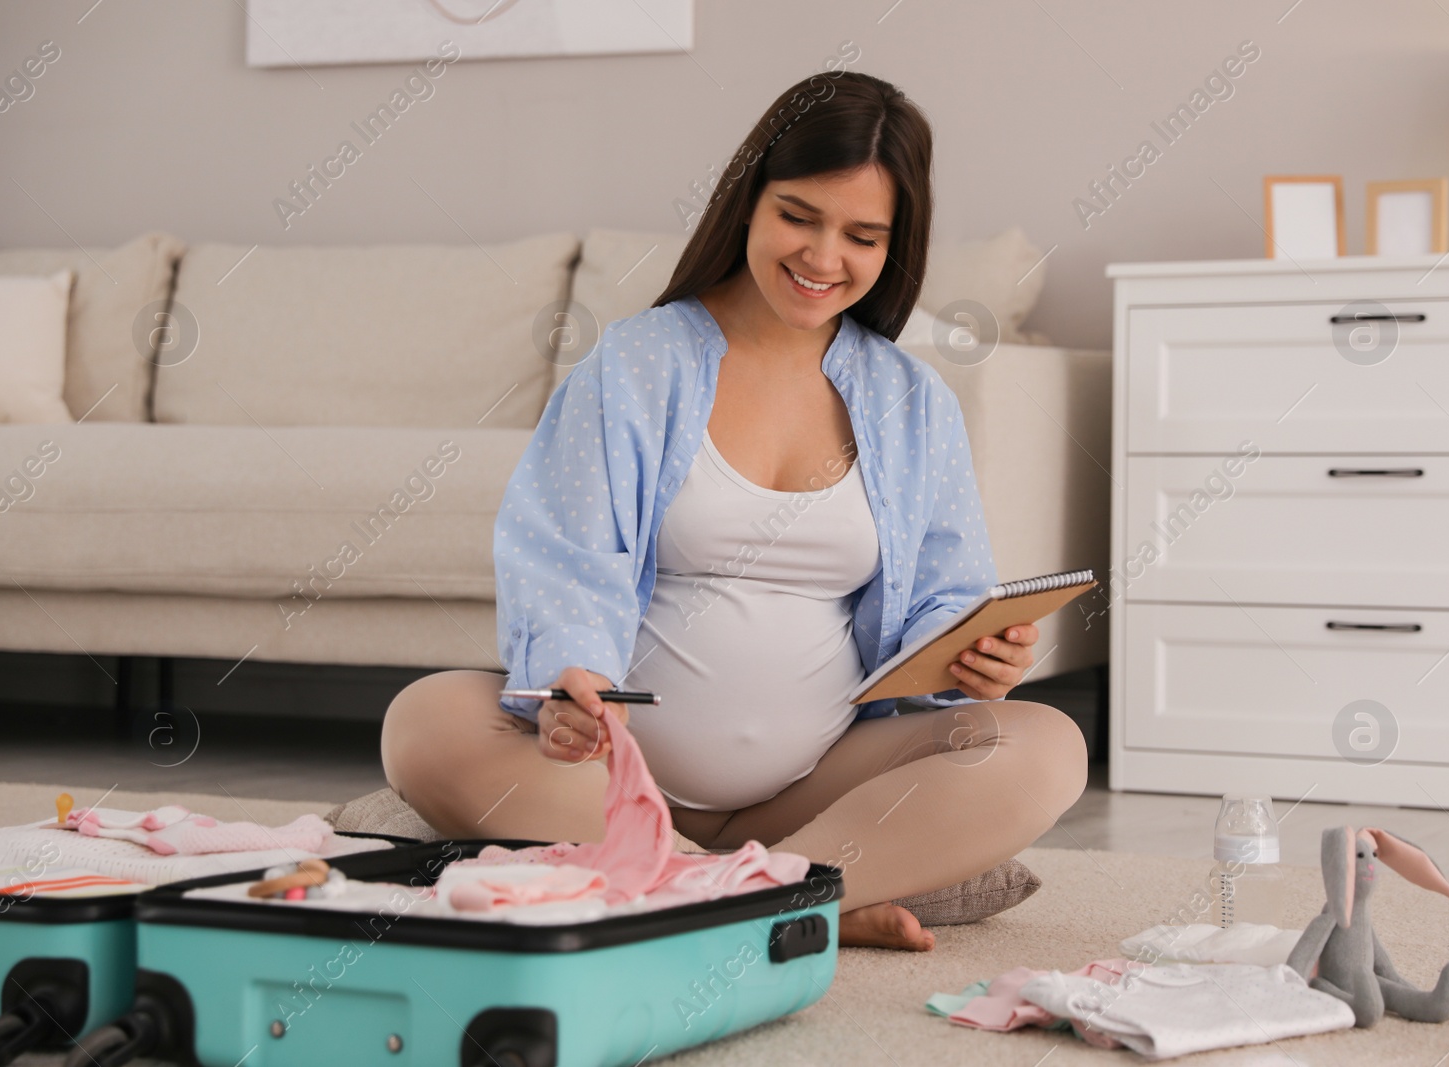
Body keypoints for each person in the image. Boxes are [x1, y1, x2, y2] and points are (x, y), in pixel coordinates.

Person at [381, 70, 1087, 952]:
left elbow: (946, 597)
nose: (825, 259)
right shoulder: (637, 365)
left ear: (895, 244)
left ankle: (699, 896)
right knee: (426, 719)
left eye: (863, 236)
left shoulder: (913, 401)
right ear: (747, 199)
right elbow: (567, 557)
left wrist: (976, 654)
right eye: (799, 216)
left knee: (1047, 744)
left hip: (818, 779)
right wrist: (572, 679)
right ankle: (793, 895)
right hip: (613, 775)